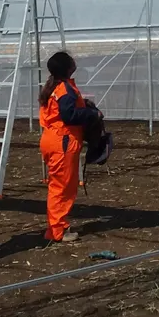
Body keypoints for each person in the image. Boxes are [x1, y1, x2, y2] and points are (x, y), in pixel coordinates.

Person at [39, 50, 101, 244]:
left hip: (54, 139)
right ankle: (57, 230)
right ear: (67, 67)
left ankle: (56, 227)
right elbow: (69, 116)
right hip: (62, 141)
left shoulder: (55, 88)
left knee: (61, 185)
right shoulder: (64, 90)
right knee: (62, 187)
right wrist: (92, 114)